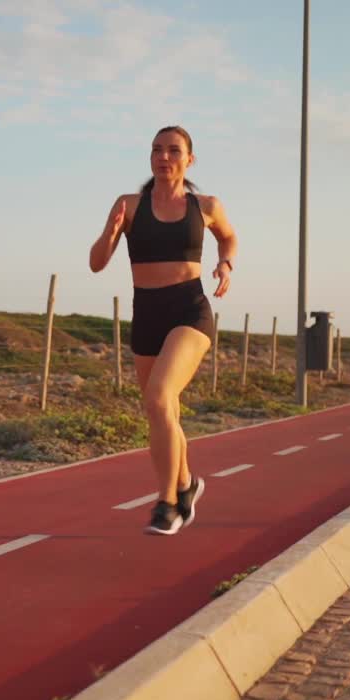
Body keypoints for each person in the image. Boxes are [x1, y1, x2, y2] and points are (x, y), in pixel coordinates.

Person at [88, 126, 238, 535]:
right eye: (157, 149)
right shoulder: (130, 205)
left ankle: (168, 504)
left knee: (159, 398)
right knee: (162, 412)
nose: (164, 156)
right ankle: (187, 484)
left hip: (190, 310)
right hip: (147, 313)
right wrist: (111, 231)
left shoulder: (205, 205)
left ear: (189, 159)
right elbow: (97, 263)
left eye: (174, 150)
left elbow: (228, 238)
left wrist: (226, 265)